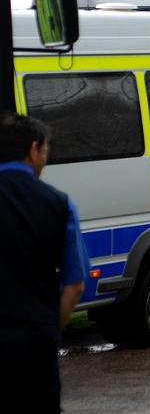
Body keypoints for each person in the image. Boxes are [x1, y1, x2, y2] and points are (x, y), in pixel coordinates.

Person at [0, 112, 90, 413]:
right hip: (36, 340)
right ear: (33, 149)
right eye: (46, 150)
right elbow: (75, 284)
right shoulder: (60, 204)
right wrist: (50, 326)